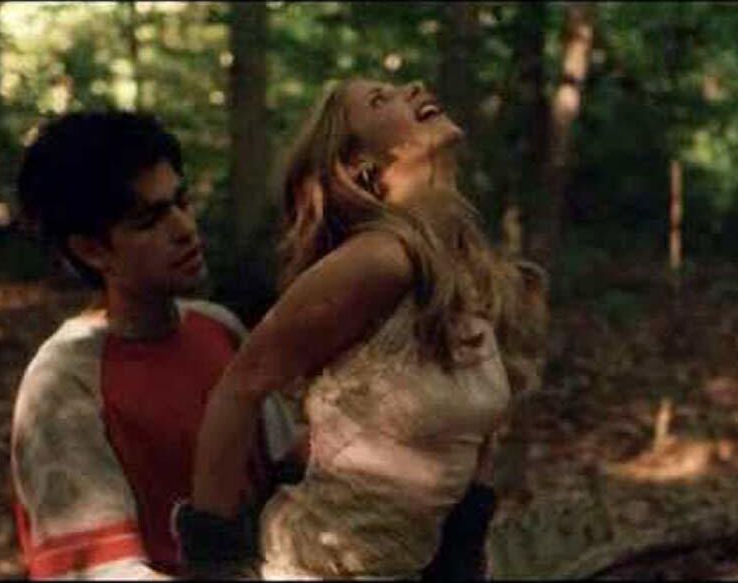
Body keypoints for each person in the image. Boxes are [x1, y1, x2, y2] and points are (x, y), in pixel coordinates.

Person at [176, 79, 550, 579]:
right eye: (380, 100)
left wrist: (459, 553)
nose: (414, 87)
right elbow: (240, 386)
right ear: (358, 164)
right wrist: (215, 562)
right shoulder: (380, 260)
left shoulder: (462, 270)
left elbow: (461, 440)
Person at [8, 111, 304, 579]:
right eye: (149, 220)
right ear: (91, 250)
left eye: (181, 202)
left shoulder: (218, 328)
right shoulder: (64, 380)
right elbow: (101, 572)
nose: (184, 228)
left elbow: (289, 476)